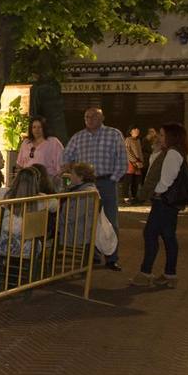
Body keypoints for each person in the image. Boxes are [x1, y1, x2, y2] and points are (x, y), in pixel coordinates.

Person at [62, 107, 127, 270]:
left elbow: (122, 161)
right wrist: (73, 173)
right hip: (85, 185)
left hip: (106, 182)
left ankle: (112, 257)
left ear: (102, 117)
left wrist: (112, 180)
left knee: (110, 220)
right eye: (86, 117)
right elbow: (66, 157)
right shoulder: (78, 137)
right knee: (87, 220)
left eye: (93, 117)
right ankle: (92, 256)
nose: (89, 120)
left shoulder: (113, 134)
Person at [132, 123, 188, 288]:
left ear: (172, 137)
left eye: (163, 135)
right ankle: (170, 275)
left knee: (151, 234)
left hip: (163, 201)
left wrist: (156, 192)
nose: (160, 138)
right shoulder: (174, 152)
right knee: (168, 236)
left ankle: (145, 273)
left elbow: (166, 180)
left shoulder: (172, 153)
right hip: (169, 203)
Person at [0, 165, 56, 257]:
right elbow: (55, 205)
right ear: (36, 182)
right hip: (28, 248)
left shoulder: (4, 194)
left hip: (1, 244)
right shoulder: (42, 200)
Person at [17, 116, 64, 181]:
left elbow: (61, 163)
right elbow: (20, 164)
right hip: (28, 180)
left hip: (47, 179)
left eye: (39, 127)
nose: (37, 130)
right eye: (34, 127)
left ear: (44, 128)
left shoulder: (53, 142)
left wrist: (55, 179)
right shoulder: (26, 143)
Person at [123, 127, 145, 203]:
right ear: (130, 131)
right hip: (130, 162)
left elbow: (139, 152)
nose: (136, 131)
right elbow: (127, 151)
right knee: (128, 180)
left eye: (137, 129)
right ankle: (125, 197)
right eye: (134, 129)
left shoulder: (138, 140)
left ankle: (134, 196)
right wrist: (134, 161)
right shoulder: (128, 140)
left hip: (138, 162)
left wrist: (141, 161)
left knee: (136, 180)